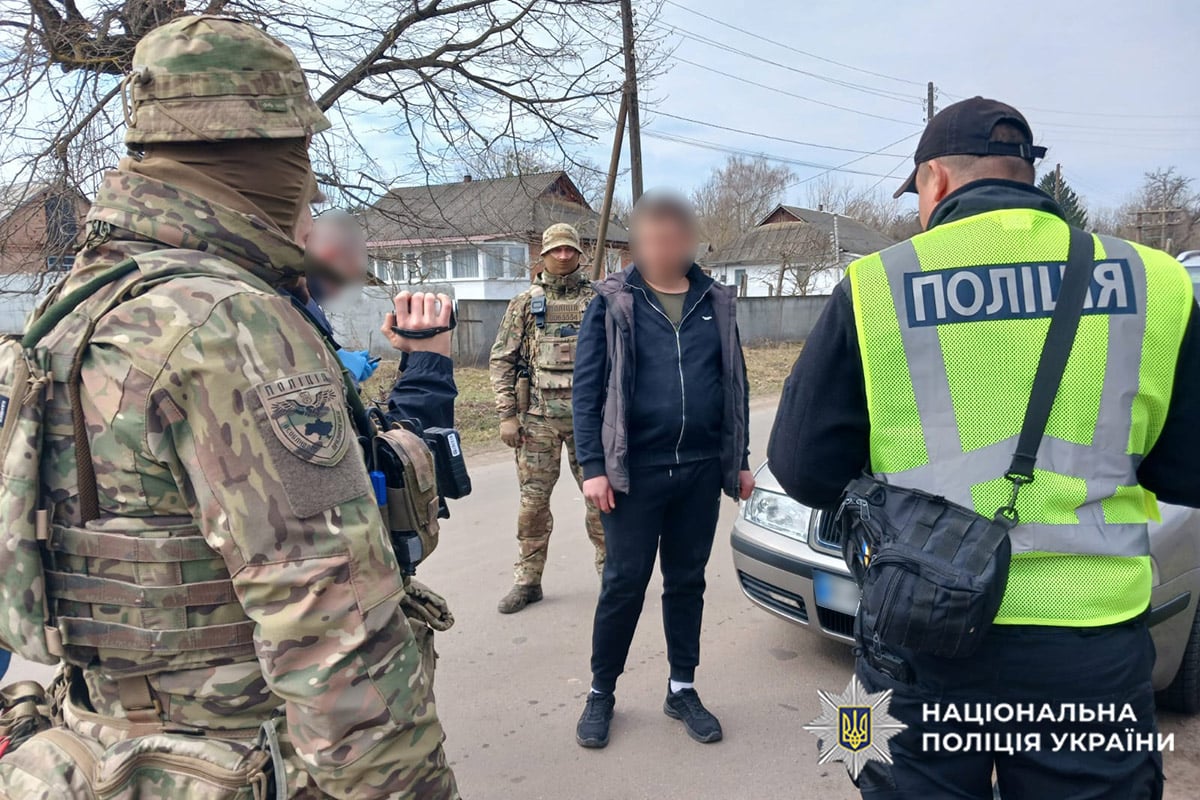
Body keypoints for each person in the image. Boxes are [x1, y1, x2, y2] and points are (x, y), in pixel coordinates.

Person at [0, 16, 458, 799]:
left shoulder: (79, 305)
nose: (307, 186)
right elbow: (331, 630)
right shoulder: (227, 323)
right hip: (241, 756)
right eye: (300, 153)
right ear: (260, 149)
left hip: (108, 746)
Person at [768, 96, 1200, 800]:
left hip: (920, 634)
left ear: (934, 180)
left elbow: (803, 469)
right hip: (1091, 643)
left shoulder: (878, 285)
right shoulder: (1155, 281)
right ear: (1028, 176)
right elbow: (1188, 470)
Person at [571, 190, 754, 749]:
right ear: (639, 241)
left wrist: (739, 460)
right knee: (624, 583)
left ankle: (682, 689)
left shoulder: (714, 301)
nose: (665, 246)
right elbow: (587, 391)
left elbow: (734, 384)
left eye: (676, 237)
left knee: (687, 582)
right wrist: (593, 466)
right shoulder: (614, 301)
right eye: (654, 237)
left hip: (699, 470)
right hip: (635, 472)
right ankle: (601, 693)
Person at [489, 223, 606, 614]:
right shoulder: (525, 303)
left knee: (602, 504)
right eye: (556, 249)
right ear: (544, 255)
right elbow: (502, 360)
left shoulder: (599, 300)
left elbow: (622, 358)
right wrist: (507, 415)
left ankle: (613, 579)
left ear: (579, 254)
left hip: (591, 423)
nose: (563, 255)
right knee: (532, 506)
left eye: (570, 249)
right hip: (537, 421)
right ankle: (527, 581)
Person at [291, 208, 380, 385]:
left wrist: (337, 355)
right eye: (307, 240)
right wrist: (348, 376)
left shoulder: (304, 299)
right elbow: (314, 394)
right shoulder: (285, 302)